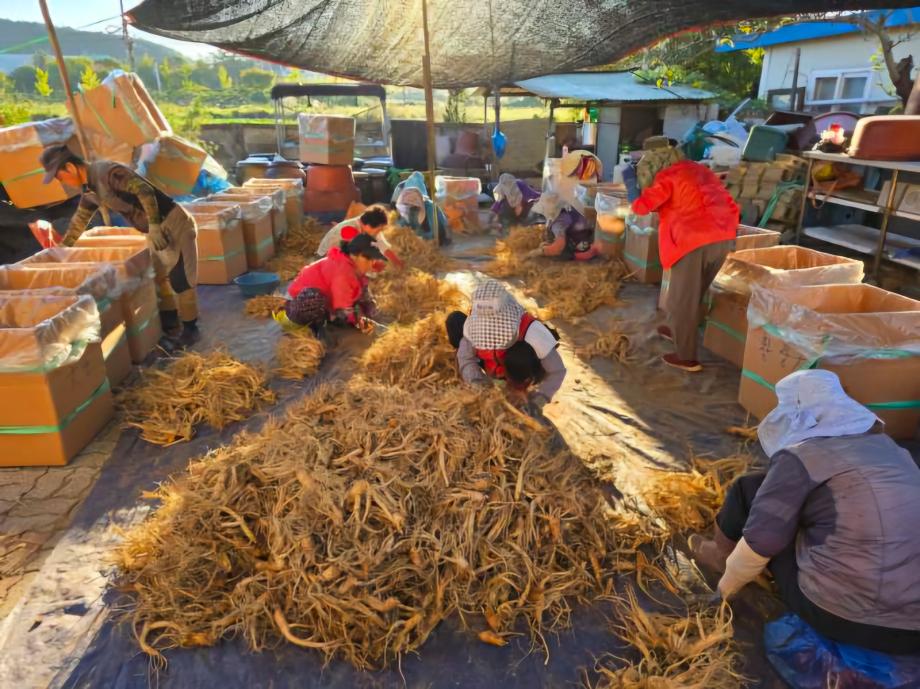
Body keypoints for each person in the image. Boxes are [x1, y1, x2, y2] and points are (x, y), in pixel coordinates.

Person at [690, 370, 920, 655]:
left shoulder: (800, 458)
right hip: (915, 626)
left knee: (749, 491)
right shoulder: (891, 449)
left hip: (844, 615)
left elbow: (759, 545)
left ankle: (718, 555)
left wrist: (723, 591)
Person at [33, 144, 200, 347]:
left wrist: (155, 226)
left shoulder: (110, 173)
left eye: (60, 177)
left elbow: (145, 191)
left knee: (180, 278)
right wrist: (62, 249)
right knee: (159, 276)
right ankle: (171, 324)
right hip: (152, 229)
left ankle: (191, 330)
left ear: (70, 167)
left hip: (172, 223)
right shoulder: (89, 189)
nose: (62, 182)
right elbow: (80, 219)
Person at [631, 159, 738, 372]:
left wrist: (631, 188)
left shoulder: (667, 176)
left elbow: (642, 208)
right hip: (724, 236)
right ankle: (678, 330)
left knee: (682, 299)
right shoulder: (702, 172)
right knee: (694, 293)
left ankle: (686, 357)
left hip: (692, 241)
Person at [446, 280, 565, 417]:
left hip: (518, 368)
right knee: (455, 321)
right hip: (490, 366)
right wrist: (477, 381)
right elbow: (466, 357)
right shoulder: (473, 326)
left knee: (519, 357)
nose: (490, 336)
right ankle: (485, 380)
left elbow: (557, 371)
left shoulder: (532, 330)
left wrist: (541, 397)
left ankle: (518, 390)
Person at [284, 233, 386, 334]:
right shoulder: (342, 272)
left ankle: (333, 319)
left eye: (373, 259)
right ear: (354, 255)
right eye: (368, 259)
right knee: (316, 298)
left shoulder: (355, 268)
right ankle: (319, 330)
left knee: (363, 296)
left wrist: (371, 311)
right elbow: (343, 307)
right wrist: (362, 323)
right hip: (297, 305)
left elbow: (363, 294)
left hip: (327, 302)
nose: (372, 263)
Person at [315, 205, 403, 269]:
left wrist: (398, 263)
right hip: (325, 259)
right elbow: (350, 257)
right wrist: (372, 266)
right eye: (379, 229)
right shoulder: (349, 229)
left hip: (341, 258)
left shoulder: (370, 227)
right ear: (368, 225)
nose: (379, 232)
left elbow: (382, 246)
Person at [528, 192, 598, 261]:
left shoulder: (558, 222)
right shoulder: (569, 208)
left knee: (557, 257)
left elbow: (558, 247)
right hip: (593, 238)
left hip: (584, 253)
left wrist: (540, 252)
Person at [392, 171, 451, 245]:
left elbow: (443, 235)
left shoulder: (432, 211)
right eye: (408, 199)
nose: (411, 202)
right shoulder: (398, 213)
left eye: (415, 198)